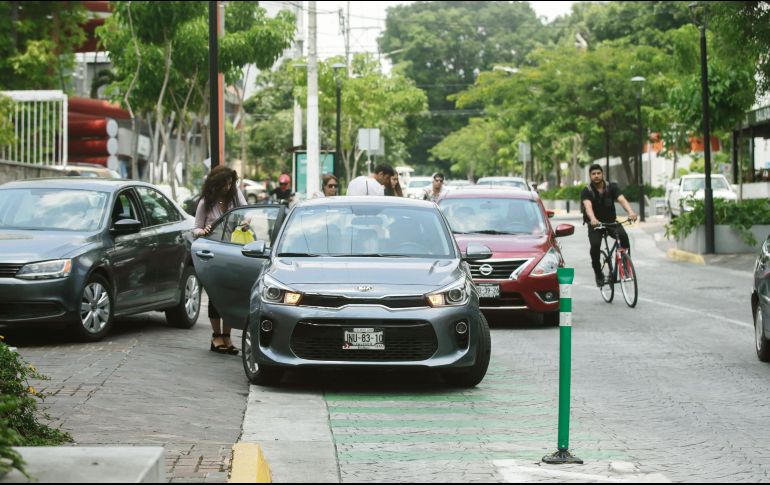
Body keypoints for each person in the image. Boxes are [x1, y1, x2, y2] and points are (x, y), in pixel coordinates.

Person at [193, 165, 247, 355]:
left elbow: (247, 212)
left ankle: (227, 336)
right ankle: (216, 336)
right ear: (216, 184)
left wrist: (245, 223)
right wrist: (203, 231)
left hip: (232, 252)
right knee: (216, 296)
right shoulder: (205, 203)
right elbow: (195, 229)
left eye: (230, 183)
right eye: (224, 184)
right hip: (213, 254)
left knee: (230, 295)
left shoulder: (235, 195)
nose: (227, 187)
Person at [581, 164, 638, 287]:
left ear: (602, 174)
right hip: (596, 224)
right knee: (595, 245)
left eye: (598, 173)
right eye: (593, 174)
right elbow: (588, 206)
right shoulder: (587, 191)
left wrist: (631, 212)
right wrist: (593, 219)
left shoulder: (611, 187)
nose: (596, 176)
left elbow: (621, 199)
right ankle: (598, 272)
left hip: (611, 222)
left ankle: (625, 265)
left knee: (623, 237)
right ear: (590, 176)